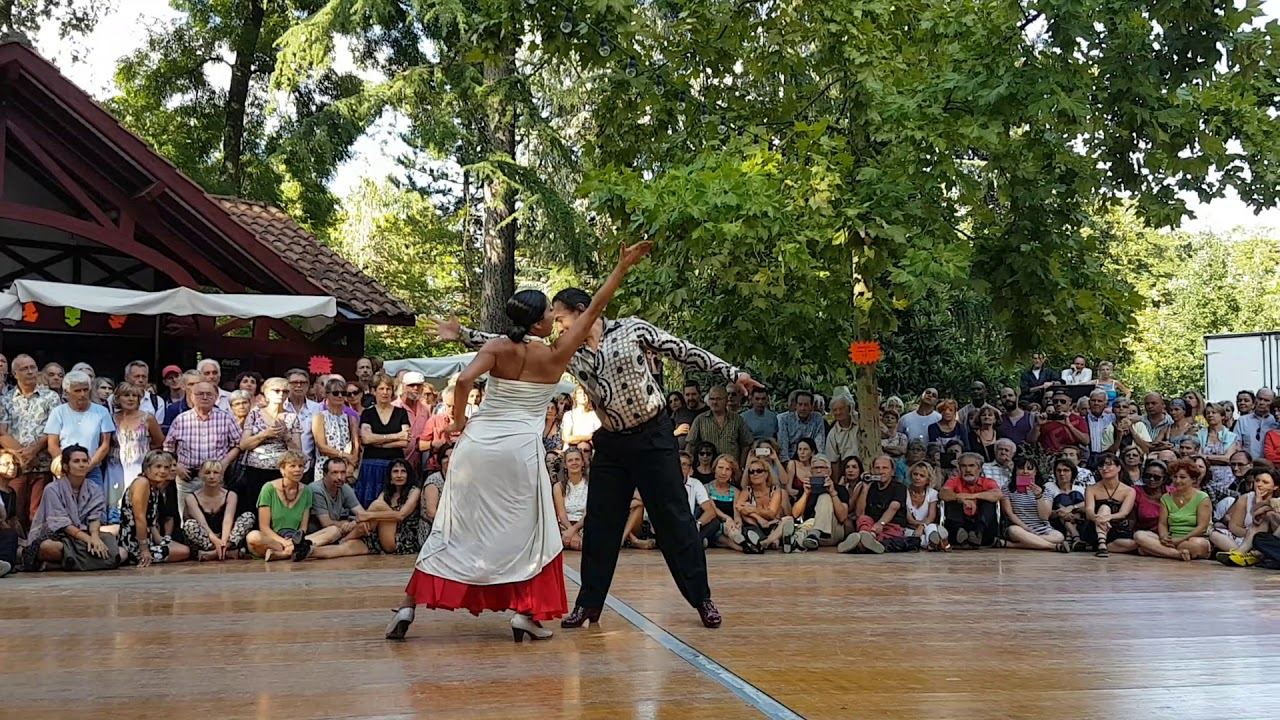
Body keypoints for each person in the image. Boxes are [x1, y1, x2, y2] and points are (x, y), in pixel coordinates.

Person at [387, 241, 652, 643]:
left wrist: (457, 419)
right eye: (549, 312)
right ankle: (526, 612)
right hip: (519, 452)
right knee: (536, 534)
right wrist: (621, 268)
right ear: (537, 323)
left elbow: (462, 381)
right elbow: (595, 308)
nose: (553, 317)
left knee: (454, 529)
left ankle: (408, 604)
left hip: (475, 449)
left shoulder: (496, 346)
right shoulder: (556, 353)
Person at [20, 445, 120, 572]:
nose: (82, 465)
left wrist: (95, 537)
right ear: (66, 466)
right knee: (48, 547)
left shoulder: (95, 488)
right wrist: (89, 540)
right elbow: (62, 524)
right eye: (76, 461)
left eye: (85, 461)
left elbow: (95, 517)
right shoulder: (52, 489)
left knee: (121, 554)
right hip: (59, 536)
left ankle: (63, 564)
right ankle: (84, 561)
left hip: (86, 534)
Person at [117, 450, 190, 566]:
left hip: (149, 540)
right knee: (184, 552)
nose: (163, 471)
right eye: (158, 467)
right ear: (147, 468)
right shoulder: (142, 483)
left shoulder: (155, 488)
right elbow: (139, 518)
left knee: (184, 549)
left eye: (166, 467)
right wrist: (144, 549)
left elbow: (151, 523)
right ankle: (135, 557)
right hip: (133, 543)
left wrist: (162, 541)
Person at [1134, 458, 1212, 561]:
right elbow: (1162, 524)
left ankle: (1157, 551)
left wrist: (1179, 540)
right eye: (1175, 477)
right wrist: (1164, 537)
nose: (1177, 481)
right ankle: (1176, 554)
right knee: (1139, 535)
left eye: (1182, 477)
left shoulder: (1202, 498)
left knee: (1198, 544)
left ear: (1193, 479)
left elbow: (1202, 527)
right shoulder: (1166, 498)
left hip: (1192, 539)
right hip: (1171, 539)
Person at [243, 451, 315, 561]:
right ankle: (292, 551)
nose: (298, 470)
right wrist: (285, 542)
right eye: (292, 466)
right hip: (273, 539)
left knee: (332, 531)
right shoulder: (268, 488)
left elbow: (303, 527)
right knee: (253, 537)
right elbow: (264, 527)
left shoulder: (307, 491)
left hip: (296, 539)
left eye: (301, 466)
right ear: (282, 469)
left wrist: (294, 540)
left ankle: (282, 554)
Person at [181, 460, 255, 561]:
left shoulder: (231, 495)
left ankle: (217, 552)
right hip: (206, 538)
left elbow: (228, 520)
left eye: (216, 473)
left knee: (248, 517)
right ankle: (224, 552)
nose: (211, 476)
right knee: (190, 525)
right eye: (207, 473)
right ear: (201, 475)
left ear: (221, 476)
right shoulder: (191, 497)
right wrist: (215, 541)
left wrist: (223, 542)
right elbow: (202, 522)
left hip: (225, 535)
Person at [359, 373, 411, 508]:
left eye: (388, 389)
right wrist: (396, 435)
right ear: (374, 391)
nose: (385, 392)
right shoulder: (367, 413)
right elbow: (366, 438)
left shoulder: (401, 413)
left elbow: (405, 441)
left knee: (392, 505)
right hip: (371, 466)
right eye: (381, 389)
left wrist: (377, 442)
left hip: (394, 465)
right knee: (369, 505)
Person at [998, 456, 1069, 553]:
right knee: (1014, 531)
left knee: (1059, 536)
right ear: (1016, 471)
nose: (1025, 472)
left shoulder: (1045, 490)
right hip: (1019, 528)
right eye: (1021, 468)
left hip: (1042, 528)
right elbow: (1009, 513)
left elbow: (1045, 516)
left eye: (1030, 469)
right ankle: (1053, 547)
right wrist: (1026, 529)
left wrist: (1039, 496)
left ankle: (1014, 545)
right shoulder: (1007, 488)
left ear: (1035, 472)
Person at [842, 455, 910, 554]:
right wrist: (865, 488)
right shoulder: (870, 487)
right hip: (870, 526)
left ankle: (860, 543)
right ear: (872, 470)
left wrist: (880, 524)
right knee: (863, 520)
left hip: (890, 525)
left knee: (890, 535)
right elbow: (859, 514)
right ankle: (867, 541)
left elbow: (893, 507)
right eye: (877, 468)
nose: (881, 471)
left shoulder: (899, 487)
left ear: (892, 471)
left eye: (885, 468)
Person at [939, 453, 1002, 549]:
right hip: (958, 526)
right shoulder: (954, 481)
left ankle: (978, 534)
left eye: (971, 466)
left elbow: (998, 495)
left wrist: (970, 497)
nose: (968, 470)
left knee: (989, 501)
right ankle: (960, 533)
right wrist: (960, 498)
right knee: (952, 499)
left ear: (980, 468)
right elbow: (942, 493)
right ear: (959, 469)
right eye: (964, 466)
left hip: (983, 528)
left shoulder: (988, 482)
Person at [1082, 452, 1137, 557]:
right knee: (1104, 508)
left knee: (1136, 543)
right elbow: (1089, 511)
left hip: (1117, 528)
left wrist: (1105, 518)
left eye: (1108, 465)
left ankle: (1104, 546)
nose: (1104, 468)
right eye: (1101, 466)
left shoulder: (1129, 490)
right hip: (1095, 526)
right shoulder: (1091, 489)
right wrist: (1097, 518)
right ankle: (1101, 542)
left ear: (1118, 467)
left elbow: (1123, 513)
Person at [902, 461, 944, 550]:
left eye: (922, 476)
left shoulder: (932, 493)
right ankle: (934, 543)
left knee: (931, 527)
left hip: (927, 525)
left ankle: (932, 540)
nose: (917, 478)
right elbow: (910, 519)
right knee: (911, 535)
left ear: (928, 479)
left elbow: (931, 517)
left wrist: (922, 526)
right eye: (915, 474)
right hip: (909, 527)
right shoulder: (903, 492)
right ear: (911, 475)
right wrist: (920, 527)